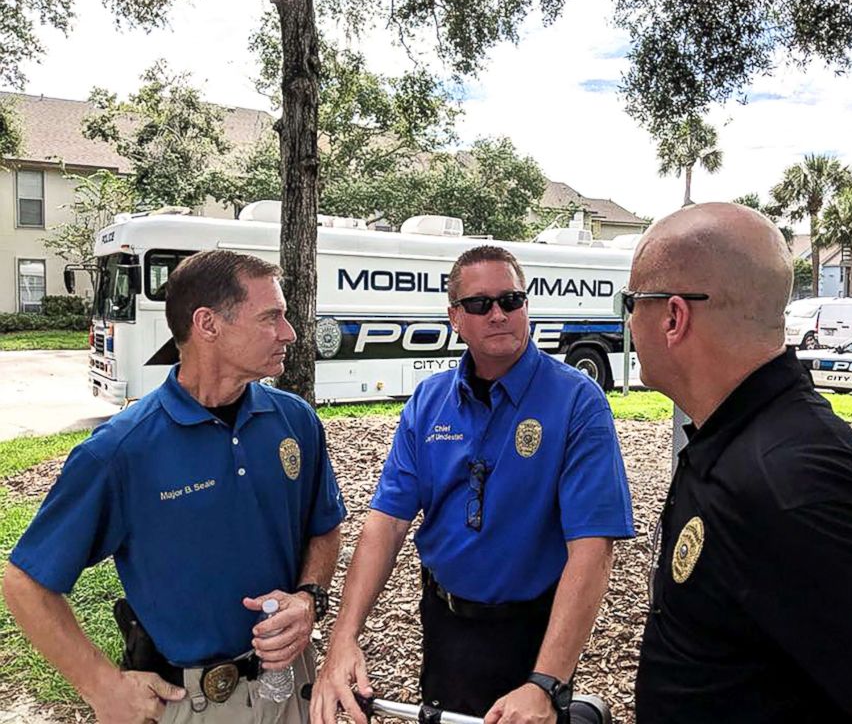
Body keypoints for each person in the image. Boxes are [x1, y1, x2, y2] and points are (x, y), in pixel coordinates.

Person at [628, 202, 852, 722]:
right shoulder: (743, 440)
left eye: (631, 302)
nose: (628, 320)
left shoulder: (786, 482)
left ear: (673, 316)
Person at [3, 250, 347, 724]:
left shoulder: (295, 421)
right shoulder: (121, 450)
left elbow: (324, 526)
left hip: (290, 687)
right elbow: (25, 582)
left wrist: (310, 596)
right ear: (208, 324)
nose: (288, 332)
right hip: (190, 705)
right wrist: (103, 686)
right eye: (272, 317)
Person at [309, 245, 635, 724]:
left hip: (532, 628)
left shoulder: (576, 401)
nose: (499, 313)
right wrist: (344, 636)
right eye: (481, 304)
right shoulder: (429, 401)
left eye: (512, 300)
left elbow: (593, 547)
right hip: (446, 623)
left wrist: (546, 682)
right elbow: (387, 523)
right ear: (454, 317)